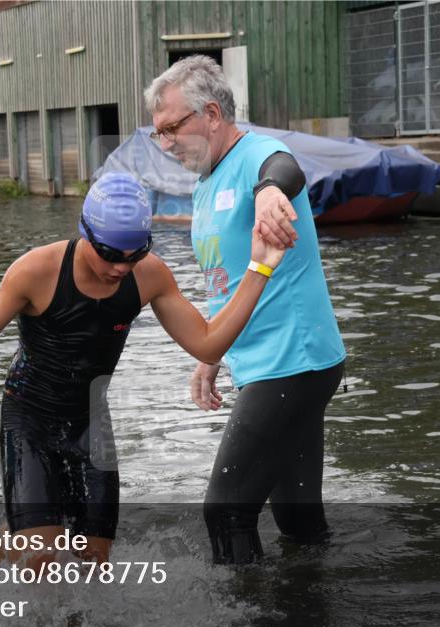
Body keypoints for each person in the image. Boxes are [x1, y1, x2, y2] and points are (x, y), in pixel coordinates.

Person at [0, 172, 285, 566]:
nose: (119, 267)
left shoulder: (149, 275)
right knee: (40, 556)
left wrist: (260, 266)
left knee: (94, 560)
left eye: (134, 254)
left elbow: (208, 341)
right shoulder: (37, 271)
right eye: (109, 253)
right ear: (85, 232)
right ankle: (9, 564)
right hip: (29, 417)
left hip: (91, 421)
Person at [145, 55, 347, 564]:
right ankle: (313, 615)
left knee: (225, 510)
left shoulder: (259, 153)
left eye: (172, 128)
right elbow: (228, 281)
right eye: (158, 133)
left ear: (211, 114)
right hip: (267, 361)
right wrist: (211, 353)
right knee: (298, 519)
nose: (166, 143)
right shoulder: (208, 178)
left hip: (292, 361)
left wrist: (270, 191)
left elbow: (284, 170)